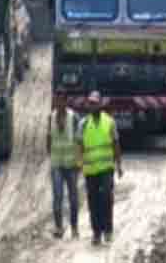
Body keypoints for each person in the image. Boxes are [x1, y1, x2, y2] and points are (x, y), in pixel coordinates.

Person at [77, 91, 123, 246]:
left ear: (101, 104)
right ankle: (96, 232)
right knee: (93, 201)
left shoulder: (109, 122)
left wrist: (119, 165)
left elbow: (116, 143)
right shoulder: (83, 124)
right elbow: (80, 146)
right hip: (90, 170)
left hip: (106, 168)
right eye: (91, 103)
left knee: (107, 198)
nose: (93, 106)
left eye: (95, 103)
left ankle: (108, 230)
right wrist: (79, 163)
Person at [47, 93, 81, 239]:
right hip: (56, 164)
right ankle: (59, 227)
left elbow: (79, 140)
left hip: (71, 164)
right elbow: (48, 138)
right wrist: (50, 157)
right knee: (57, 196)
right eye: (57, 101)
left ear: (66, 102)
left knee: (73, 198)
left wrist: (79, 161)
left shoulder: (74, 118)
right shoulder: (51, 118)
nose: (59, 103)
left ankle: (74, 227)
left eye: (62, 101)